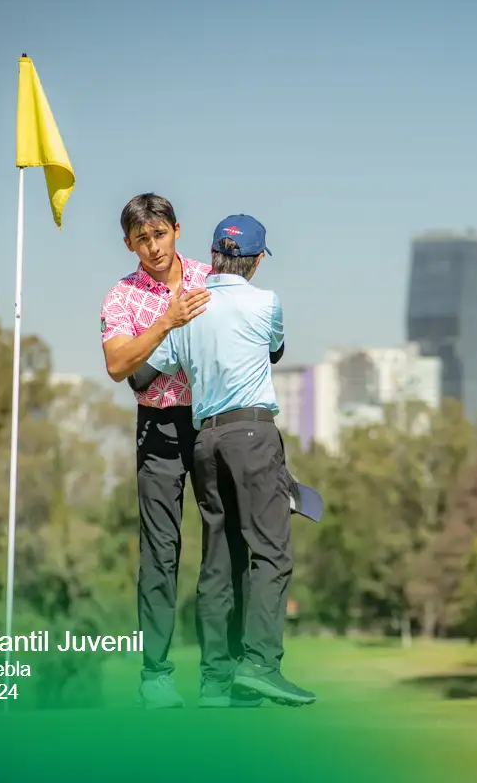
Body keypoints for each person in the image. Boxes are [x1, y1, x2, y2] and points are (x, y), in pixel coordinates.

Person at [145, 214, 317, 708]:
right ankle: (260, 665)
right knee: (271, 552)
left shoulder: (187, 306)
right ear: (257, 260)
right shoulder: (266, 302)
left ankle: (216, 682)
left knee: (218, 560)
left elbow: (143, 376)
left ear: (214, 256)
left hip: (205, 441)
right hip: (253, 435)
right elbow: (275, 351)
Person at [99, 192, 216, 710]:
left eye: (160, 234)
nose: (153, 247)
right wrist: (166, 321)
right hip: (159, 428)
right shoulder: (120, 297)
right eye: (141, 239)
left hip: (211, 422)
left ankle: (220, 672)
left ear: (176, 230)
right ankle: (156, 676)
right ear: (129, 243)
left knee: (221, 545)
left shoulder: (210, 279)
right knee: (160, 553)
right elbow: (117, 365)